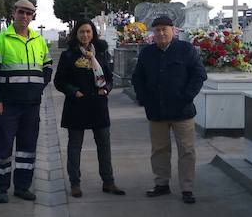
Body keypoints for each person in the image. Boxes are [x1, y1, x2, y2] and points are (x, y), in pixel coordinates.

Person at [131, 16, 207, 203]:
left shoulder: (185, 50)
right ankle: (162, 184)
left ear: (173, 30)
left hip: (182, 111)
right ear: (153, 33)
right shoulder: (147, 53)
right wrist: (144, 99)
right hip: (157, 111)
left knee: (187, 150)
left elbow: (199, 75)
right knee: (159, 149)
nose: (161, 33)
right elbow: (137, 78)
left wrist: (187, 96)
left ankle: (187, 188)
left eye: (165, 29)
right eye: (157, 30)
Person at [0, 0, 53, 203]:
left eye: (29, 13)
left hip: (31, 106)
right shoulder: (2, 39)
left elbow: (48, 66)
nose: (25, 16)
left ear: (33, 16)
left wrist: (37, 88)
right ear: (13, 13)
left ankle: (22, 186)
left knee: (27, 147)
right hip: (8, 105)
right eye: (21, 12)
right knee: (4, 147)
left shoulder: (38, 40)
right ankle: (0, 187)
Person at [53, 19, 124, 198]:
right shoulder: (69, 55)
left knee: (104, 146)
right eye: (82, 32)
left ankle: (108, 182)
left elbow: (109, 77)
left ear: (93, 34)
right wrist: (73, 91)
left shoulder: (101, 53)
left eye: (88, 32)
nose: (85, 35)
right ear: (76, 34)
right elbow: (59, 81)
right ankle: (75, 183)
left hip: (98, 105)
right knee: (75, 147)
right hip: (77, 106)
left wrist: (106, 88)